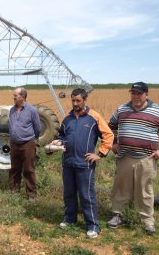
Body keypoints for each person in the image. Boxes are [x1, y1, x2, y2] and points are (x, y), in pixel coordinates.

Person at [106, 82, 159, 235]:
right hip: (125, 156)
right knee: (121, 187)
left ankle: (147, 221)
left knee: (145, 190)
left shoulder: (158, 111)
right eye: (133, 93)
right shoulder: (122, 109)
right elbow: (111, 126)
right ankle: (118, 215)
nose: (136, 96)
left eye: (139, 93)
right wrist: (114, 143)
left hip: (146, 159)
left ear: (146, 94)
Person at [49, 88, 114, 239]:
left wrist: (100, 154)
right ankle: (70, 219)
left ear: (85, 100)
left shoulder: (94, 117)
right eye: (73, 100)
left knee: (87, 195)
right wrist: (59, 141)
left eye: (78, 100)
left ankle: (93, 226)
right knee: (69, 193)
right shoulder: (68, 119)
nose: (75, 103)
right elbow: (63, 136)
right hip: (68, 162)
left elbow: (108, 134)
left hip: (85, 164)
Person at [8, 87, 41, 202]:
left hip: (27, 144)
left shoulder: (31, 110)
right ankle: (13, 192)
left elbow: (37, 128)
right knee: (14, 169)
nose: (13, 97)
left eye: (15, 95)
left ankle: (31, 195)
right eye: (14, 95)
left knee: (28, 170)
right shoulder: (12, 110)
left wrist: (32, 140)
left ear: (23, 97)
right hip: (14, 144)